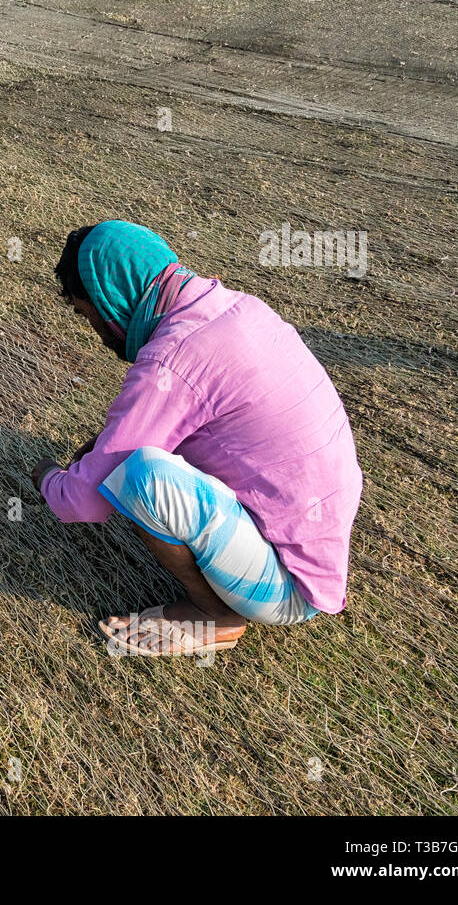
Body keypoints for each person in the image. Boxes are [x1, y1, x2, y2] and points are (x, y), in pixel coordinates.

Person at [31, 220, 362, 656]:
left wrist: (45, 474)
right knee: (123, 457)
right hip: (319, 548)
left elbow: (82, 502)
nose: (91, 329)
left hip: (287, 588)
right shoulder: (239, 309)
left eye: (84, 312)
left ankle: (214, 615)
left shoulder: (173, 359)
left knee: (142, 478)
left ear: (106, 300)